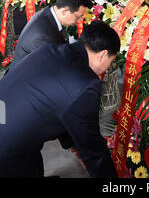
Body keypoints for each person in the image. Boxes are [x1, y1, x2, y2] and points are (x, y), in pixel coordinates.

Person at [0, 21, 120, 178]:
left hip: (9, 121)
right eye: (110, 62)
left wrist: (72, 144)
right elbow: (93, 149)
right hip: (8, 149)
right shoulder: (85, 84)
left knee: (32, 164)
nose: (107, 67)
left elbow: (57, 103)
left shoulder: (51, 49)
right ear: (103, 54)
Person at [10, 0, 93, 68]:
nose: (79, 21)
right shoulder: (42, 35)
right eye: (78, 17)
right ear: (65, 11)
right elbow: (57, 67)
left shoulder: (47, 15)